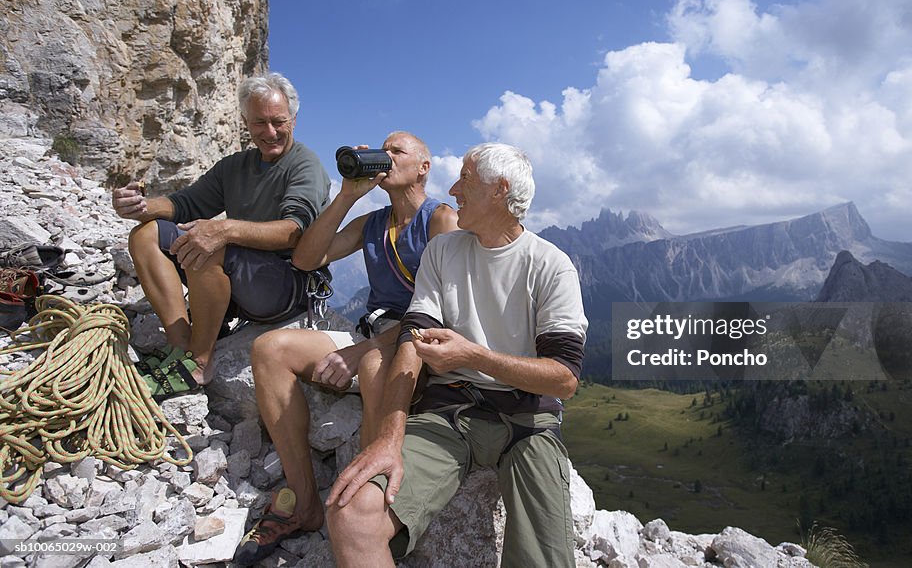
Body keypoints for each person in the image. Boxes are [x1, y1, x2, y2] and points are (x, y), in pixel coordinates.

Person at [326, 142, 588, 568]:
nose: (452, 189)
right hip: (450, 409)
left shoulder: (550, 266)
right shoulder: (443, 251)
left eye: (465, 178)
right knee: (352, 514)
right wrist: (389, 440)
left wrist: (476, 356)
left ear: (500, 189)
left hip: (527, 420)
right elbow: (412, 336)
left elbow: (564, 378)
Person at [233, 131, 458, 566]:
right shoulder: (372, 223)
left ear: (423, 168)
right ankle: (304, 502)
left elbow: (443, 307)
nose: (386, 157)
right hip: (372, 332)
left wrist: (362, 351)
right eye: (383, 151)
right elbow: (306, 259)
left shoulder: (440, 219)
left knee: (373, 361)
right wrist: (346, 196)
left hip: (418, 342)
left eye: (397, 152)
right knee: (269, 349)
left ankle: (367, 509)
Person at [111, 72, 330, 389]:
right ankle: (182, 348)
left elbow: (292, 232)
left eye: (279, 122)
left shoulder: (304, 165)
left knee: (209, 241)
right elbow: (185, 204)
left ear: (294, 119)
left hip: (288, 284)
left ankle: (200, 363)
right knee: (145, 234)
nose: (270, 132)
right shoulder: (234, 167)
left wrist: (224, 229)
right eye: (259, 123)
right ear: (245, 121)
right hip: (243, 273)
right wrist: (142, 207)